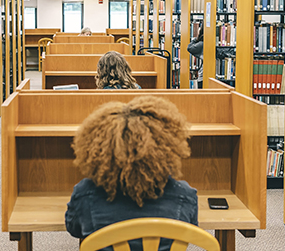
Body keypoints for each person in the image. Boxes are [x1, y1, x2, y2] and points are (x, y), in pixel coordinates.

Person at [65, 96, 197, 250]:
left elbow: (73, 228)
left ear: (100, 149)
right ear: (165, 147)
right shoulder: (185, 196)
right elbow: (191, 230)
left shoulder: (85, 194)